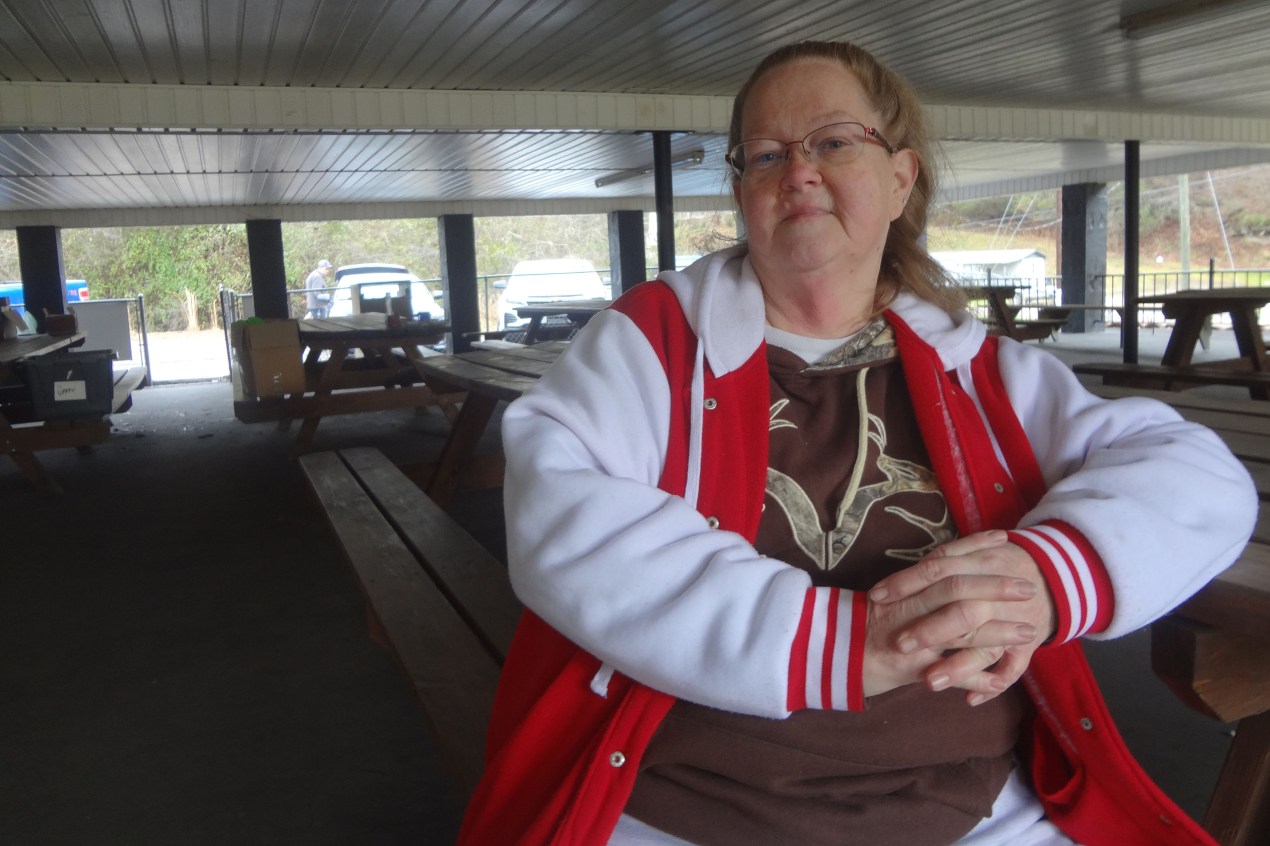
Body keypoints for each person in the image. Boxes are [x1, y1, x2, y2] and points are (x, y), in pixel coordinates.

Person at [458, 41, 1257, 846]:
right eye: (767, 154)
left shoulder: (976, 371)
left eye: (834, 142)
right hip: (687, 808)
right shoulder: (654, 344)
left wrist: (1045, 578)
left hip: (976, 810)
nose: (798, 172)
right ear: (742, 191)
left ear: (901, 178)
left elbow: (1195, 476)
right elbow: (559, 511)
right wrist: (841, 645)